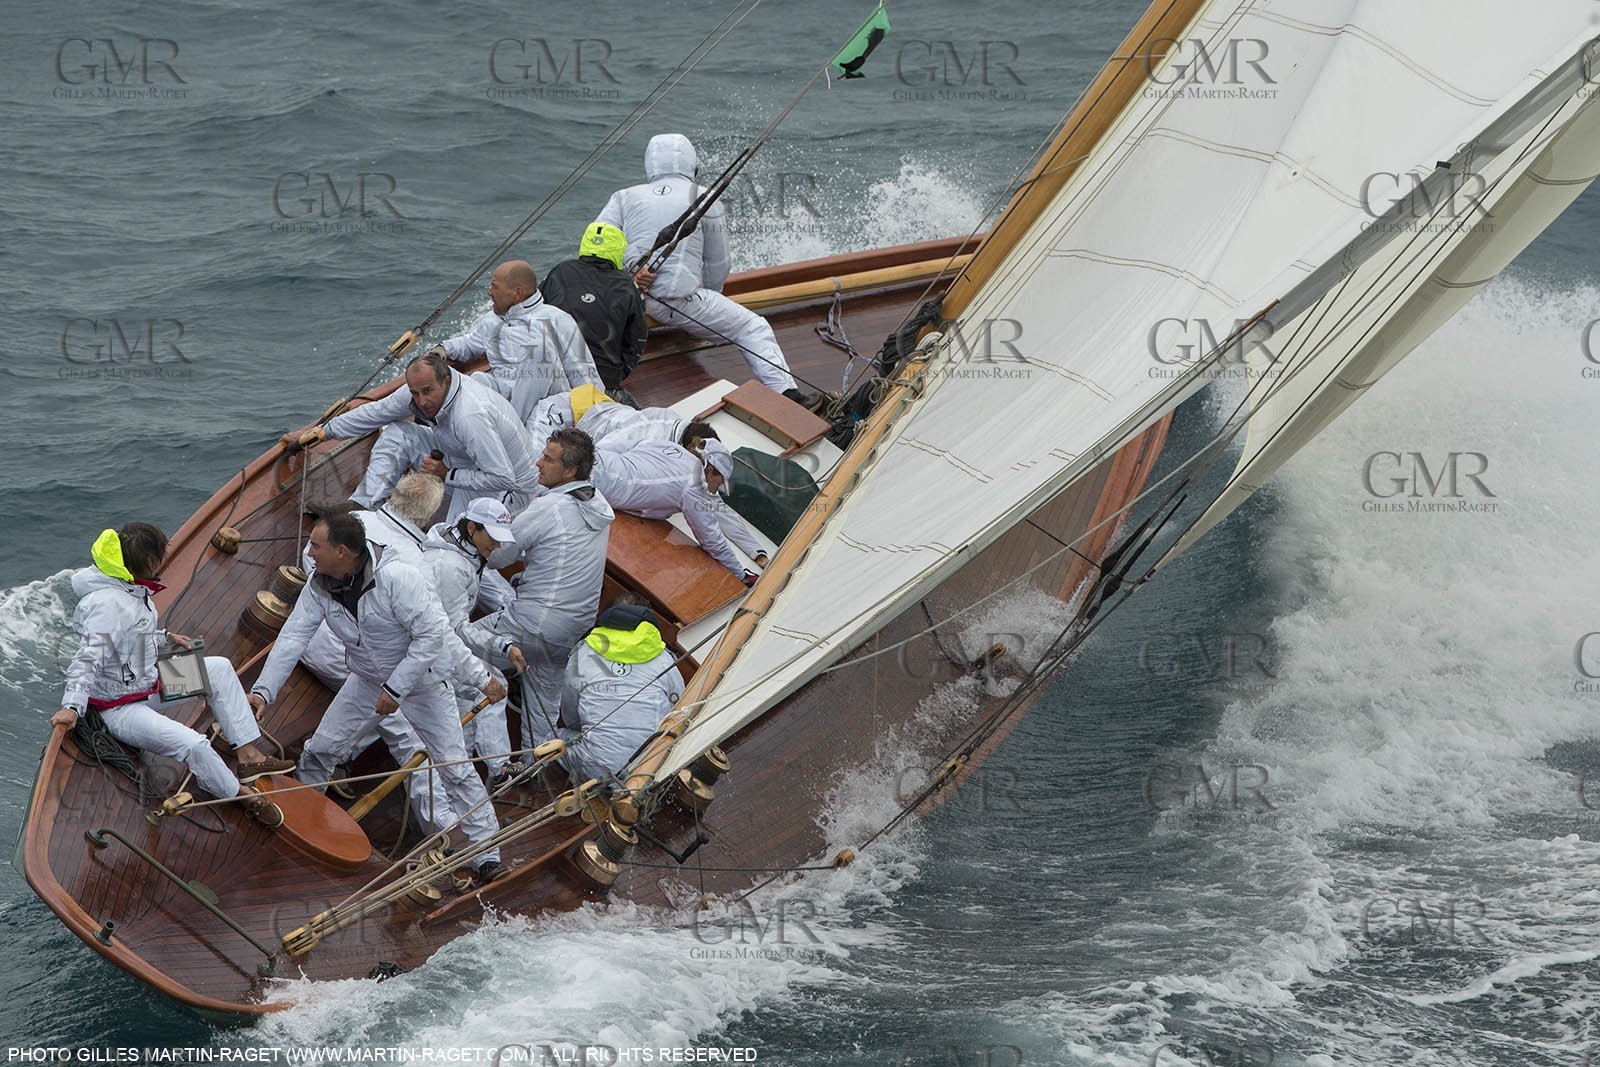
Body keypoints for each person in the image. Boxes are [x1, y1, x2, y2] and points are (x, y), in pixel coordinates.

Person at [249, 512, 506, 884]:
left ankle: (488, 854)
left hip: (424, 684)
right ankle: (301, 820)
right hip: (368, 680)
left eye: (315, 546)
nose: (309, 553)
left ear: (342, 551)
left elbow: (433, 638)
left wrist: (399, 689)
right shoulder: (320, 583)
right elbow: (292, 637)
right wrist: (263, 692)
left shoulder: (399, 577)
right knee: (321, 749)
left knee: (454, 767)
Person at [52, 524, 291, 826]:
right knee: (194, 745)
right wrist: (72, 707)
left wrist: (165, 637)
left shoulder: (131, 589)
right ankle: (238, 793)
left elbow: (132, 637)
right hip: (121, 708)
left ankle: (248, 756)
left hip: (148, 684)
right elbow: (87, 659)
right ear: (148, 563)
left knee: (218, 669)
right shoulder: (108, 606)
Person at [597, 133, 812, 405]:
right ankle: (788, 394)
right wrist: (711, 296)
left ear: (650, 165)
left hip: (629, 302)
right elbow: (717, 263)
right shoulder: (705, 197)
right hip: (679, 303)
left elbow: (597, 243)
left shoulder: (623, 196)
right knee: (752, 327)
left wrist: (631, 269)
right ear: (691, 164)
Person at [466, 428, 613, 751]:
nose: (538, 463)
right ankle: (532, 769)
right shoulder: (599, 505)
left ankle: (485, 757)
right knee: (543, 717)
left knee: (457, 653)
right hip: (572, 633)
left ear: (570, 471)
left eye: (548, 459)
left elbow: (498, 553)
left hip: (531, 626)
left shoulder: (550, 508)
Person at [281, 352, 538, 519]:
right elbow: (376, 412)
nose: (422, 402)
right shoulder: (420, 392)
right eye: (415, 393)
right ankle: (361, 508)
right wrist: (319, 433)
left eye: (428, 392)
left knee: (451, 545)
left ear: (446, 381)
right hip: (463, 460)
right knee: (397, 433)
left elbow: (503, 478)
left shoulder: (470, 416)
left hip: (509, 493)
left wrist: (446, 474)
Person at [429, 259, 602, 427]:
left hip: (545, 403)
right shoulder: (492, 320)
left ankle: (515, 427)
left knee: (539, 352)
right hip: (505, 396)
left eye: (495, 287)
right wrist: (442, 349)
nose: (489, 292)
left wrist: (596, 418)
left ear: (517, 293)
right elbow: (469, 343)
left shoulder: (556, 319)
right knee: (478, 378)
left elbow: (583, 373)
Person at [420, 497, 519, 787]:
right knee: (492, 684)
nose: (498, 545)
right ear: (473, 527)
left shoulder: (464, 551)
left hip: (434, 641)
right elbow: (455, 629)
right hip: (428, 648)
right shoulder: (451, 566)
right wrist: (503, 646)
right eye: (494, 537)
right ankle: (499, 769)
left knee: (470, 699)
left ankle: (460, 768)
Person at [551, 594, 684, 784]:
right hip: (649, 769)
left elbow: (570, 716)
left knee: (550, 739)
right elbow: (679, 707)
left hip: (595, 769)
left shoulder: (583, 653)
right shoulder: (664, 659)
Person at [591, 437, 769, 579]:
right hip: (596, 485)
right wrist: (740, 574)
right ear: (710, 470)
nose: (722, 486)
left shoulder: (668, 446)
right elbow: (712, 539)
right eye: (721, 480)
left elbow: (627, 444)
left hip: (596, 458)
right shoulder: (695, 487)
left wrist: (756, 552)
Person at [540, 223, 648, 396]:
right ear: (619, 248)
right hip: (604, 380)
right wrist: (618, 375)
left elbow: (532, 312)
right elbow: (638, 338)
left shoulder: (560, 271)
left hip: (553, 375)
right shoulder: (628, 285)